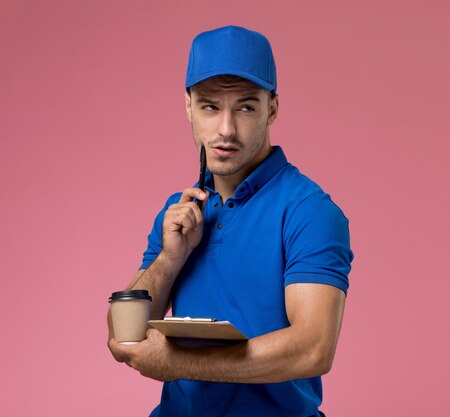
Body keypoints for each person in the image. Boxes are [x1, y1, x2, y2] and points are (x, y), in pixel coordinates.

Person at [107, 25, 354, 417]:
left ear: (272, 107)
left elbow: (313, 348)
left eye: (245, 106)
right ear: (188, 106)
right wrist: (169, 260)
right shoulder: (179, 212)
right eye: (209, 106)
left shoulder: (309, 211)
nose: (226, 129)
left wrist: (179, 365)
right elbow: (123, 333)